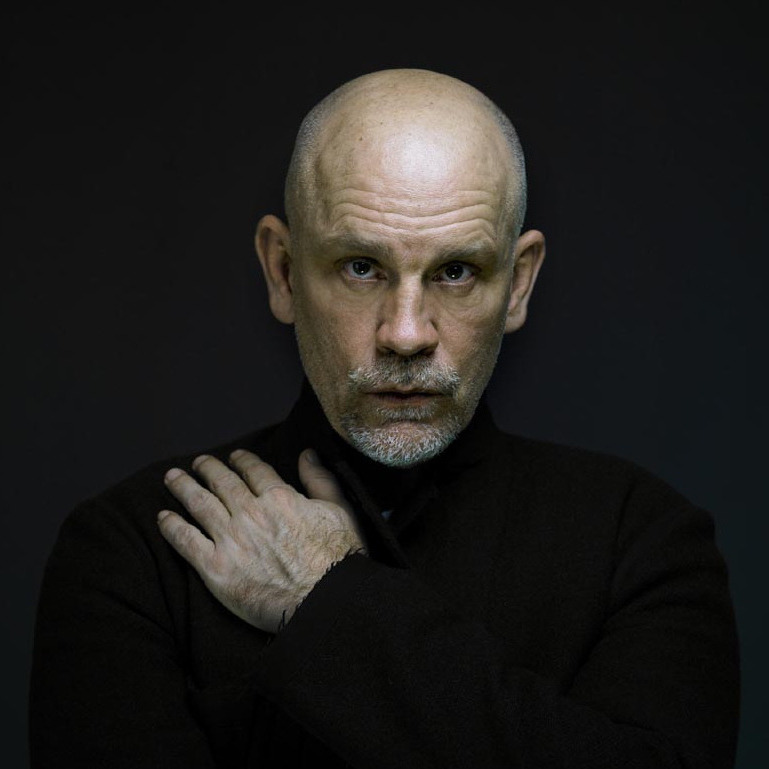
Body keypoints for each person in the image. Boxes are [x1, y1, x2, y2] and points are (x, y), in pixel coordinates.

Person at [29, 68, 739, 768]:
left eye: (455, 271)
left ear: (518, 284)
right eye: (361, 266)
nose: (405, 334)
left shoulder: (642, 542)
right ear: (282, 271)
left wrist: (328, 598)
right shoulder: (133, 550)